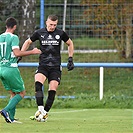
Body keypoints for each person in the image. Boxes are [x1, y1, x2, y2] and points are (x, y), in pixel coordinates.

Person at [21, 14, 74, 121]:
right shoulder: (39, 33)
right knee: (38, 84)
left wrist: (70, 58)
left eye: (54, 25)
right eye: (51, 24)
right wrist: (21, 54)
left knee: (52, 89)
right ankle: (41, 110)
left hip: (55, 67)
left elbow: (70, 43)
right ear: (46, 22)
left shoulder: (60, 33)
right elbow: (28, 42)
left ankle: (44, 113)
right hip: (43, 65)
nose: (52, 27)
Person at [0, 17, 41, 123]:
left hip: (1, 68)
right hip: (11, 68)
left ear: (6, 26)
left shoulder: (0, 37)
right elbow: (17, 53)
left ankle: (11, 118)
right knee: (21, 93)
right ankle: (5, 110)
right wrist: (32, 52)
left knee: (13, 94)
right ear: (14, 27)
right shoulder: (13, 37)